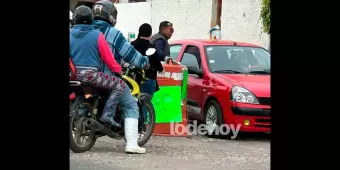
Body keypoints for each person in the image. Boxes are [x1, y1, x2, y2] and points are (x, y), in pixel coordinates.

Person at [92, 0, 149, 154]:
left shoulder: (84, 30)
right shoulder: (113, 34)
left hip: (83, 76)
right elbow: (130, 54)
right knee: (130, 104)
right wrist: (144, 62)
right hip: (106, 78)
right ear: (111, 15)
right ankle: (132, 144)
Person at [70, 5, 126, 125]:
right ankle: (107, 115)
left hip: (73, 76)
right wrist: (119, 70)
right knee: (119, 84)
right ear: (91, 19)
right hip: (91, 76)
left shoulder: (70, 35)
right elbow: (108, 58)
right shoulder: (97, 35)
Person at [131, 23, 164, 122]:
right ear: (150, 34)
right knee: (145, 105)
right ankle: (141, 130)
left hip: (133, 80)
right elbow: (158, 65)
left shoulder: (132, 45)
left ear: (139, 32)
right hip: (148, 80)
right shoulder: (151, 47)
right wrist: (162, 69)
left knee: (132, 104)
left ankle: (130, 126)